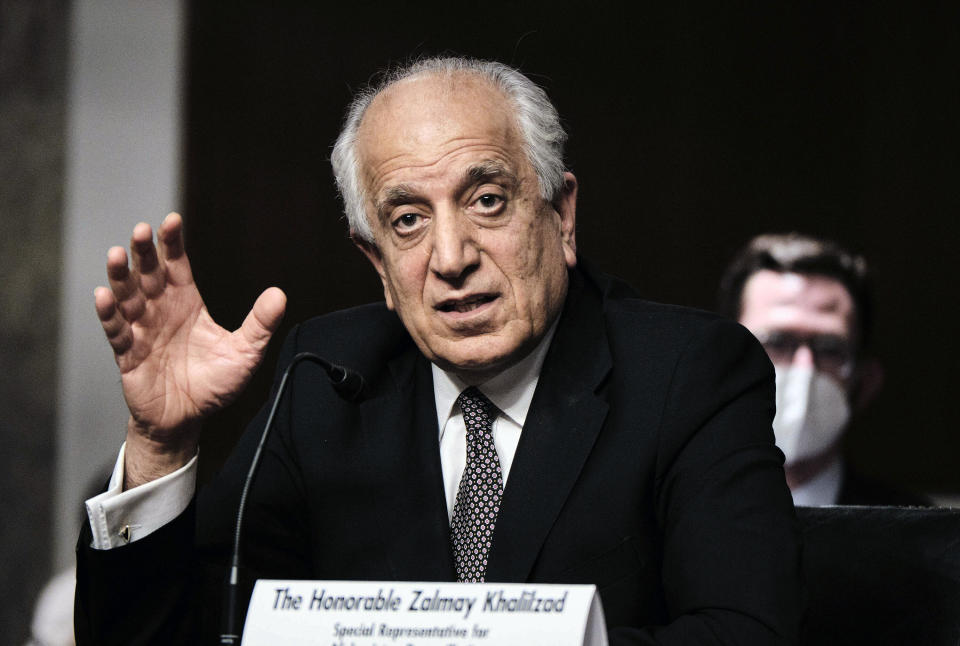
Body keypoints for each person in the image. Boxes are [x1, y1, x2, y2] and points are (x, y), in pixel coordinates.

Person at [75, 57, 802, 644]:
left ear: (562, 215)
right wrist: (160, 444)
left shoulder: (688, 373)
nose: (451, 257)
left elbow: (747, 629)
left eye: (488, 199)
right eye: (408, 219)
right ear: (378, 266)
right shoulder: (326, 380)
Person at [718, 233, 927, 507]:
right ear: (722, 368)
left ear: (865, 383)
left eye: (830, 349)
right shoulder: (664, 526)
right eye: (776, 342)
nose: (804, 369)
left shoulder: (922, 538)